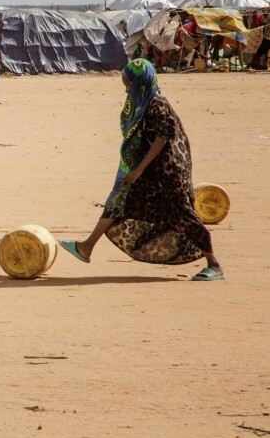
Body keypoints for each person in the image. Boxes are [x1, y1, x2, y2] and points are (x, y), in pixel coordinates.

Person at [59, 58, 224, 281]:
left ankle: (214, 265)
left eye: (129, 83)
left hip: (168, 174)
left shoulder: (157, 104)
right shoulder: (145, 102)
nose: (126, 87)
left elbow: (162, 138)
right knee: (119, 203)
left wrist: (138, 169)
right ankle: (86, 247)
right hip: (152, 172)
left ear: (140, 82)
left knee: (183, 215)